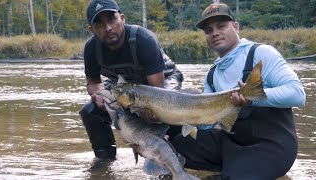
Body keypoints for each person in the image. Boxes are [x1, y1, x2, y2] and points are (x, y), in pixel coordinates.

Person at [169, 2, 306, 180]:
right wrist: (178, 119)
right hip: (232, 143)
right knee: (171, 142)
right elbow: (210, 125)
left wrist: (251, 99)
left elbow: (298, 94)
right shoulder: (212, 74)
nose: (215, 33)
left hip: (272, 146)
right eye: (209, 30)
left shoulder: (261, 53)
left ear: (236, 27)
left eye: (221, 26)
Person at [79, 0, 183, 160]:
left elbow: (158, 93)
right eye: (99, 24)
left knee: (160, 113)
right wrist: (98, 94)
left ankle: (174, 157)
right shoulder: (91, 48)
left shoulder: (144, 39)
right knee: (90, 111)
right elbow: (93, 82)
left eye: (111, 19)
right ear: (91, 30)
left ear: (122, 18)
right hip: (124, 86)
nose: (107, 28)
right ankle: (105, 161)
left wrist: (147, 112)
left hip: (162, 82)